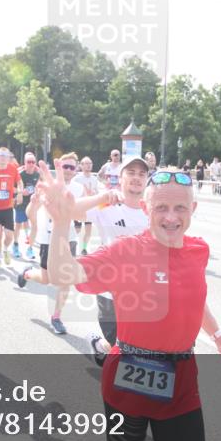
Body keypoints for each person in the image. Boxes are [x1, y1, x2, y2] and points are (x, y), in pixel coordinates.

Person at [36, 163, 221, 441]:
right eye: (161, 207)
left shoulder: (198, 251)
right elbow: (62, 273)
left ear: (192, 210)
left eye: (179, 207)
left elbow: (194, 299)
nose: (170, 217)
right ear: (145, 209)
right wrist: (60, 222)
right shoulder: (126, 252)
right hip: (128, 377)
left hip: (181, 381)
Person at [71, 154, 150, 366]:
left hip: (145, 291)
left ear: (147, 180)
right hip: (111, 290)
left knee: (136, 350)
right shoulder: (107, 205)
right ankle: (101, 345)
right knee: (117, 344)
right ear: (120, 177)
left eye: (142, 174)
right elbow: (70, 211)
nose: (136, 177)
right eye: (131, 173)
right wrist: (101, 197)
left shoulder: (153, 211)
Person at [17, 153, 84, 334]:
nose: (68, 170)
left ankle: (56, 317)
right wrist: (33, 202)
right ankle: (28, 273)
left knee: (66, 279)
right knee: (48, 280)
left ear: (76, 169)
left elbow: (83, 213)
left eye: (72, 167)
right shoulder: (47, 186)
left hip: (69, 238)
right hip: (49, 239)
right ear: (59, 168)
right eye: (65, 167)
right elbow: (31, 212)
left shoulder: (79, 188)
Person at [12, 152, 40, 261]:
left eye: (33, 162)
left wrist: (37, 192)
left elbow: (41, 186)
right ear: (25, 162)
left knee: (34, 226)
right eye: (29, 162)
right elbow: (12, 188)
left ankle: (30, 248)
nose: (31, 164)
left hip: (32, 204)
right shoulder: (20, 174)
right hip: (20, 203)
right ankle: (15, 245)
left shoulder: (37, 174)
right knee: (18, 225)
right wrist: (20, 191)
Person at [72, 156, 100, 256]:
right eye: (86, 164)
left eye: (90, 163)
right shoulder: (77, 179)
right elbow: (73, 193)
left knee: (88, 231)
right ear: (81, 165)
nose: (89, 166)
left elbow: (97, 192)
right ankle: (72, 246)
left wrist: (94, 194)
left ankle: (84, 248)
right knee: (77, 230)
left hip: (90, 208)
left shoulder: (94, 178)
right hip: (79, 208)